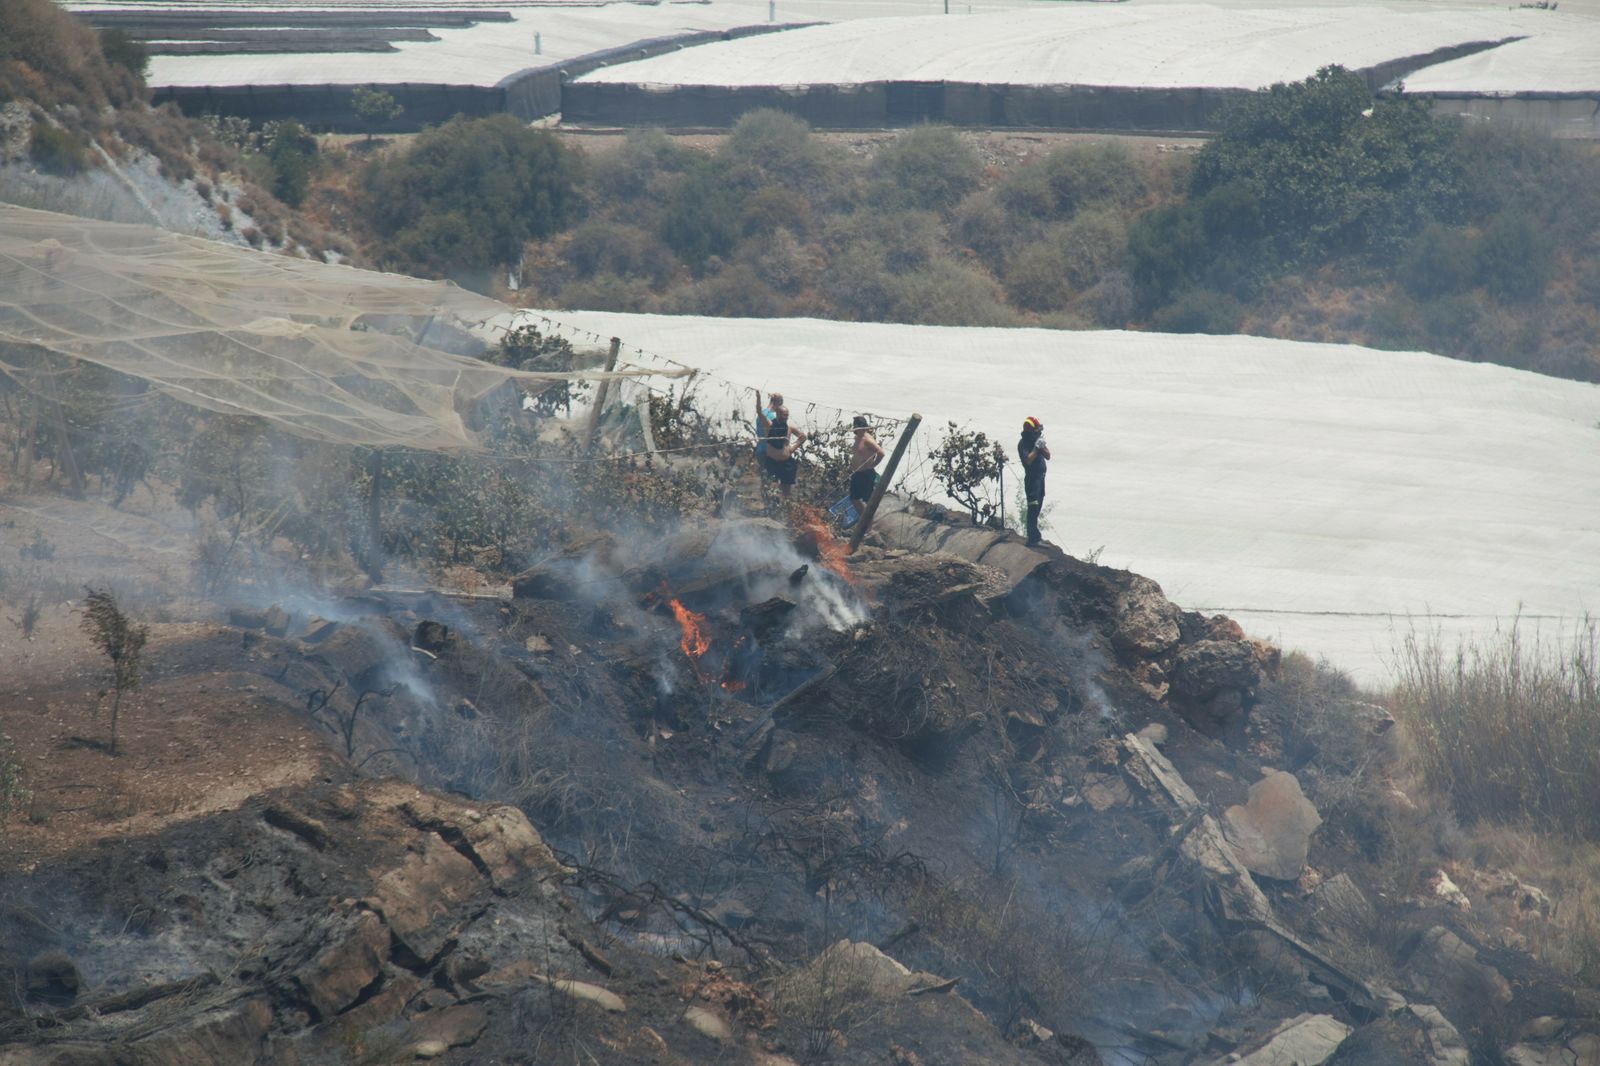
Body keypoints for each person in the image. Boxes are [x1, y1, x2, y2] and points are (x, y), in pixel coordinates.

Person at [1018, 416, 1051, 547]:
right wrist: (1036, 449)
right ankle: (1033, 538)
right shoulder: (1023, 444)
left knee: (1038, 507)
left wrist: (1042, 446)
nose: (1039, 433)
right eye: (1036, 431)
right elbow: (1028, 460)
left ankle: (1035, 536)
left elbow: (1048, 456)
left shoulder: (1037, 440)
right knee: (1033, 507)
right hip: (1032, 480)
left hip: (1040, 479)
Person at [764, 403, 806, 498]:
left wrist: (792, 448)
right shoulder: (770, 425)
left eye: (787, 415)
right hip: (772, 461)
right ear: (778, 414)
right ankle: (771, 504)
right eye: (784, 414)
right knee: (771, 485)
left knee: (786, 488)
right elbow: (761, 415)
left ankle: (785, 505)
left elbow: (803, 437)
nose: (786, 417)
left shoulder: (789, 428)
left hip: (786, 462)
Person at [848, 415, 885, 516]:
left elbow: (881, 453)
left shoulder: (867, 439)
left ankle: (868, 526)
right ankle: (863, 521)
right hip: (857, 473)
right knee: (854, 499)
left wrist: (872, 465)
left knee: (867, 501)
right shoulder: (858, 438)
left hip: (865, 473)